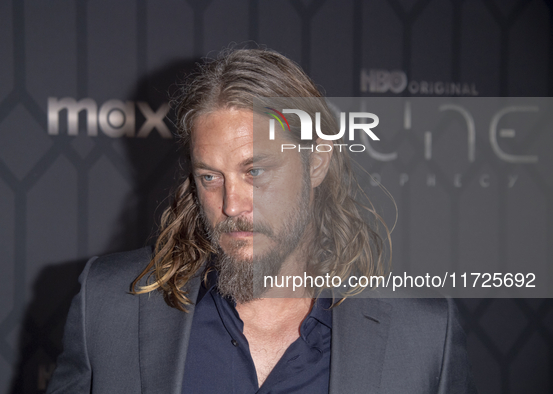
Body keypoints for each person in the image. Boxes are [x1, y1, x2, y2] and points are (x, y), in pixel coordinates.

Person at [46, 48, 477, 394]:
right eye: (210, 177)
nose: (232, 205)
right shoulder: (108, 305)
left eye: (256, 172)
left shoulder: (421, 335)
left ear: (316, 163)